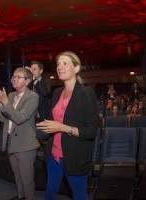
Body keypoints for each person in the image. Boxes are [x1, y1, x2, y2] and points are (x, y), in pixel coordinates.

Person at [36, 51, 99, 200]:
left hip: (74, 156)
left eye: (65, 63)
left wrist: (62, 127)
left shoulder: (86, 93)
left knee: (79, 195)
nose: (60, 67)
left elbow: (90, 132)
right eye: (58, 64)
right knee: (50, 192)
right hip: (54, 155)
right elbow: (53, 121)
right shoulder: (57, 92)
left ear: (76, 69)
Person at [0, 67, 40, 200]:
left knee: (27, 178)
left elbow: (19, 118)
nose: (14, 78)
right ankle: (20, 196)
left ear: (28, 81)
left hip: (26, 144)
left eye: (18, 76)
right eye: (13, 76)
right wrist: (1, 106)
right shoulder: (11, 96)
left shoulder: (33, 96)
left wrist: (5, 102)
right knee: (17, 175)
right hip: (11, 142)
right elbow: (4, 119)